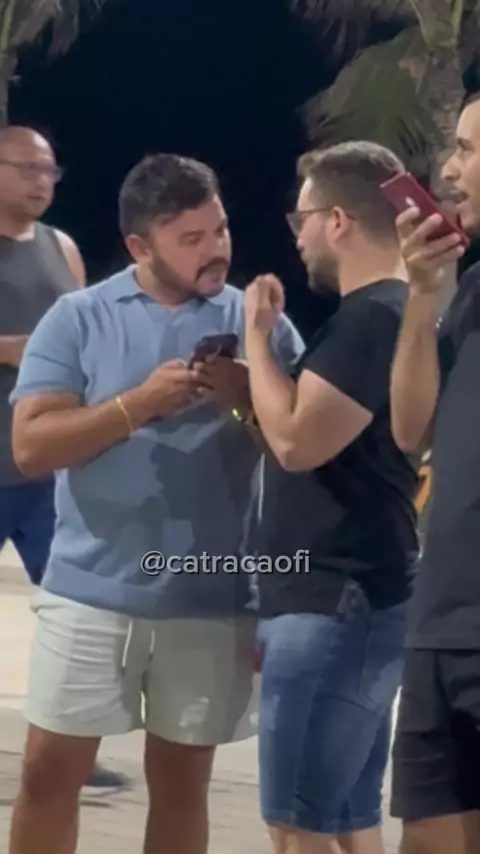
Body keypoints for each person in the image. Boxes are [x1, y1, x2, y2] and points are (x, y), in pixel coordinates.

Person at [7, 152, 303, 854]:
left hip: (209, 598)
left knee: (181, 786)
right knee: (48, 776)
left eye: (220, 229)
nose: (215, 249)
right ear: (141, 246)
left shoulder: (259, 324)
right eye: (191, 238)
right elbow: (31, 448)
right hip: (88, 593)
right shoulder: (78, 318)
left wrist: (245, 400)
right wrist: (137, 404)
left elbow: (300, 451)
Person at [244, 141, 419, 854]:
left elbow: (295, 442)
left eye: (303, 219)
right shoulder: (402, 313)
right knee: (348, 815)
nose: (299, 236)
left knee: (296, 824)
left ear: (338, 220)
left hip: (333, 597)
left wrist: (258, 342)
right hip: (363, 593)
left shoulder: (370, 318)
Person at [0, 125, 123, 791]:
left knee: (76, 614)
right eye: (26, 168)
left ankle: (69, 753)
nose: (40, 182)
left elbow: (87, 338)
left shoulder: (63, 249)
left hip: (49, 471)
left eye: (49, 170)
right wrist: (11, 350)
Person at [390, 93, 480, 854]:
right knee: (428, 837)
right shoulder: (471, 290)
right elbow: (410, 427)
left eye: (468, 150)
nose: (449, 171)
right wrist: (423, 296)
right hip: (442, 620)